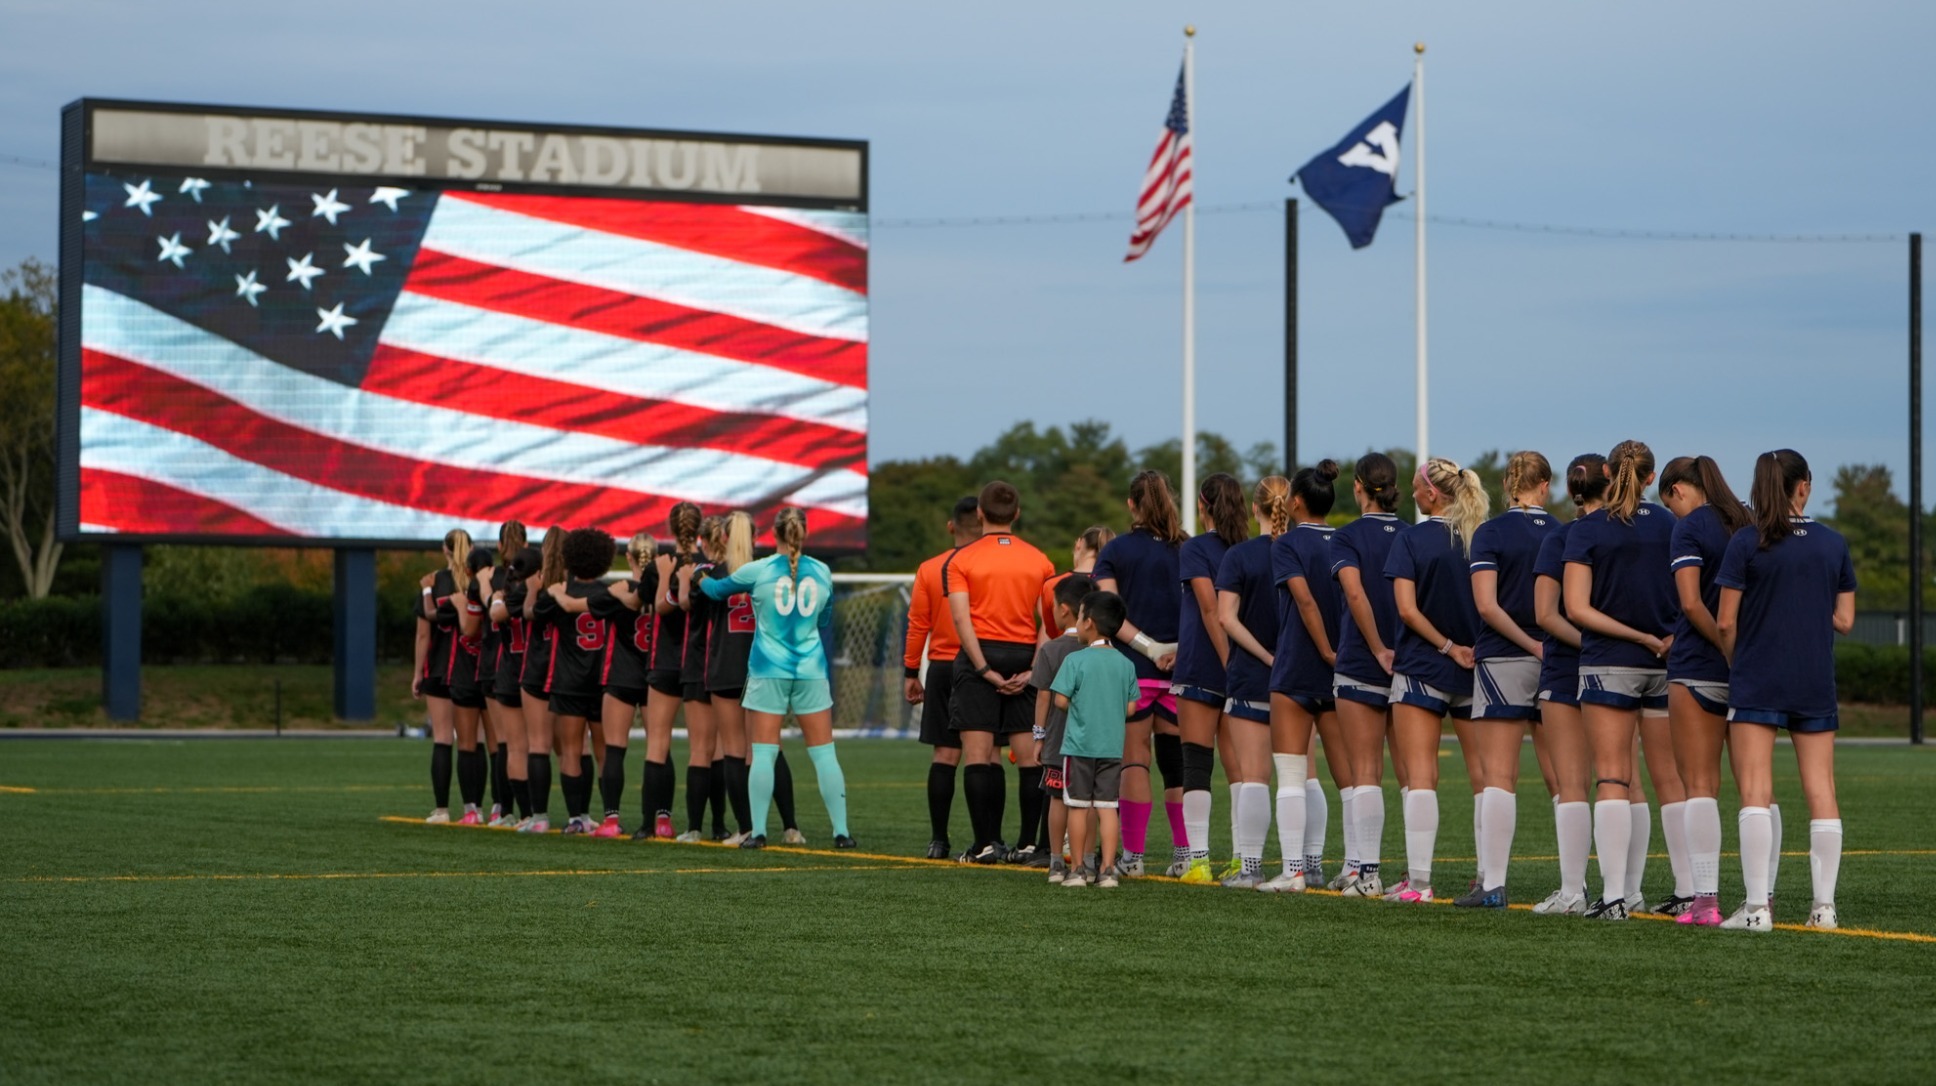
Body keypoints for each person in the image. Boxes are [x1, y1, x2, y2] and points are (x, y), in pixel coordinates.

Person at [1715, 449, 1855, 932]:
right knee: (1822, 790)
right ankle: (1823, 908)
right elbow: (1846, 620)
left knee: (1755, 791)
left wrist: (1740, 664)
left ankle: (1756, 910)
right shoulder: (1833, 544)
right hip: (1814, 678)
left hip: (1757, 676)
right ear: (1804, 486)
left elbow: (1725, 621)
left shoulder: (1745, 543)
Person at [1562, 439, 1684, 921]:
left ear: (1609, 473)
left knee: (1613, 777)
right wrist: (1664, 637)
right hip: (1666, 664)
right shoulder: (1672, 524)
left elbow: (1576, 609)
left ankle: (1615, 896)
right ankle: (1689, 891)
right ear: (1652, 478)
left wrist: (1637, 635)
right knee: (1670, 780)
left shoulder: (1589, 528)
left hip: (1610, 662)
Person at [699, 508, 855, 850]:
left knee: (764, 752)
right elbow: (825, 619)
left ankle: (757, 833)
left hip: (768, 671)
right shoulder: (823, 571)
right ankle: (841, 833)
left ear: (774, 534)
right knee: (824, 753)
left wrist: (698, 575)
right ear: (804, 533)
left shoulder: (760, 569)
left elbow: (713, 590)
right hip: (811, 672)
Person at [1383, 458, 1488, 904]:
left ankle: (1420, 882)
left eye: (1415, 488)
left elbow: (1407, 610)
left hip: (1423, 666)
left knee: (1421, 775)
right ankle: (1489, 876)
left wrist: (1446, 647)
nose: (1411, 495)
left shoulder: (1411, 539)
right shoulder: (1481, 537)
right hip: (1476, 668)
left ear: (1432, 494)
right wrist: (1467, 648)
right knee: (1486, 778)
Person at [1658, 456, 1756, 926]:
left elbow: (1692, 601)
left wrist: (1724, 645)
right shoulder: (1749, 520)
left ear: (1677, 490)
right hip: (1753, 672)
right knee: (1757, 791)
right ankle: (1761, 899)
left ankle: (1705, 901)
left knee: (1699, 786)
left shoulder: (1690, 527)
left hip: (1700, 667)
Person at [1460, 452, 1557, 908]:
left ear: (1507, 485)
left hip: (1504, 660)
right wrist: (1546, 645)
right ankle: (1576, 887)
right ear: (1545, 485)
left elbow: (1486, 606)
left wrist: (1529, 643)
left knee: (1498, 777)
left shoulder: (1491, 532)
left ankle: (1493, 884)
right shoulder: (1562, 532)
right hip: (1560, 661)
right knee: (1566, 781)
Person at [945, 480, 1055, 863]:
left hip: (982, 656)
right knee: (1030, 757)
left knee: (978, 754)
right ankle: (1027, 844)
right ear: (1017, 514)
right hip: (1025, 656)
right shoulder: (1040, 560)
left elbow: (962, 620)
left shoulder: (961, 560)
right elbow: (1050, 621)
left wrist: (983, 669)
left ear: (980, 513)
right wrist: (1033, 668)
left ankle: (986, 844)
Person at [1092, 470, 1186, 876]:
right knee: (1179, 765)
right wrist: (1177, 650)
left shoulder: (1115, 552)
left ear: (1131, 505)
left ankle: (1134, 857)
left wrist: (1151, 648)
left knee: (1135, 762)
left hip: (1134, 670)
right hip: (1183, 671)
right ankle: (1187, 854)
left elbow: (1109, 614)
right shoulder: (1189, 548)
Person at [1261, 462, 1346, 893]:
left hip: (1298, 665)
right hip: (1343, 670)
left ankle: (1294, 871)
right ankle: (1356, 869)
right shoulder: (1345, 540)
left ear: (1295, 502)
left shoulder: (1287, 544)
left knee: (1292, 775)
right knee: (1350, 779)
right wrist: (1340, 653)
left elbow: (1306, 603)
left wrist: (1326, 650)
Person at [1529, 456, 1607, 914]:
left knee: (1573, 784)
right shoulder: (1630, 532)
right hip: (1621, 668)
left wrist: (1589, 642)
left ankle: (1575, 891)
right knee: (1622, 781)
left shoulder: (1562, 536)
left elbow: (1545, 614)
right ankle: (1624, 890)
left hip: (1566, 669)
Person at [1330, 454, 1409, 900]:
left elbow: (1355, 592)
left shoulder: (1347, 537)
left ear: (1359, 487)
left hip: (1364, 660)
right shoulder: (1412, 534)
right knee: (1413, 776)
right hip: (1410, 664)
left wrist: (1378, 647)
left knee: (1365, 772)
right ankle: (1417, 877)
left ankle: (1368, 872)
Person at [1213, 476, 1291, 889]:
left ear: (1254, 509)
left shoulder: (1240, 555)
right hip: (1299, 677)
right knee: (1301, 776)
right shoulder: (1306, 549)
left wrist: (1263, 655)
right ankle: (1308, 864)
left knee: (1254, 775)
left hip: (1252, 675)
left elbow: (1226, 617)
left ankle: (1252, 867)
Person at [1174, 474, 1246, 884]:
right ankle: (1241, 858)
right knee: (1240, 769)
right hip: (1243, 668)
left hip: (1204, 662)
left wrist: (1227, 660)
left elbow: (1208, 607)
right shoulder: (1247, 549)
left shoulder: (1196, 548)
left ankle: (1198, 862)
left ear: (1203, 504)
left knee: (1196, 763)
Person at [905, 496, 982, 858]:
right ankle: (988, 840)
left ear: (952, 527)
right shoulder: (992, 566)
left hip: (941, 665)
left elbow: (918, 623)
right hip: (986, 666)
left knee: (944, 754)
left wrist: (910, 671)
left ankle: (938, 840)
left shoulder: (930, 568)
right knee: (986, 757)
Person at [1054, 590, 1141, 890]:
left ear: (1088, 622)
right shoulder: (1126, 664)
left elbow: (1060, 701)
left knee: (1078, 806)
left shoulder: (1075, 660)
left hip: (1079, 746)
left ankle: (1078, 869)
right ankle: (1107, 870)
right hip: (1111, 747)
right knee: (1107, 806)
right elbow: (1131, 708)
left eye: (1079, 617)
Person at [534, 528, 618, 835]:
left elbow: (536, 615)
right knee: (604, 750)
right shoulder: (611, 592)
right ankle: (610, 817)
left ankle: (576, 817)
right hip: (603, 679)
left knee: (570, 750)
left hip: (568, 679)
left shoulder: (559, 591)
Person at [581, 532, 661, 837]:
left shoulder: (619, 589)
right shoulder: (663, 589)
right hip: (656, 677)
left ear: (629, 557)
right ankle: (662, 819)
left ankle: (612, 820)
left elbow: (583, 605)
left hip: (621, 676)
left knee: (614, 750)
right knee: (658, 748)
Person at [642, 504, 701, 837]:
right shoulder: (707, 566)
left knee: (657, 743)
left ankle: (651, 824)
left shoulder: (658, 567)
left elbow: (651, 604)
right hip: (699, 662)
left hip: (665, 659)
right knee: (709, 749)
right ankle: (715, 826)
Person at [1032, 573, 1095, 883]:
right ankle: (1090, 862)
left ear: (1066, 609)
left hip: (1059, 738)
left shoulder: (1051, 649)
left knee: (1058, 798)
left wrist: (1038, 735)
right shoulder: (1103, 652)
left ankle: (1056, 861)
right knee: (1092, 800)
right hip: (1095, 739)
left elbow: (1043, 695)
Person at [414, 528, 470, 824]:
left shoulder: (433, 582)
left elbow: (424, 634)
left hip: (438, 669)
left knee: (443, 738)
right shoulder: (477, 580)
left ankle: (442, 809)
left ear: (445, 549)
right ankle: (477, 808)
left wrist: (416, 674)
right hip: (472, 670)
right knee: (473, 743)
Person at [514, 529, 565, 833]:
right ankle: (580, 816)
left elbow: (527, 612)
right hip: (570, 672)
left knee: (538, 745)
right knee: (574, 749)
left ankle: (540, 817)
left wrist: (532, 589)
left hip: (538, 670)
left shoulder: (540, 584)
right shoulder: (576, 584)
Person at [482, 522, 531, 827]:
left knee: (508, 744)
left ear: (500, 547)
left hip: (503, 665)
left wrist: (485, 586)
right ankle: (548, 813)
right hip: (540, 669)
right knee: (547, 747)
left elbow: (491, 611)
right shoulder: (536, 578)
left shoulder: (497, 579)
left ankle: (508, 809)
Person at [447, 545, 495, 825]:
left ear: (468, 570)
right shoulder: (500, 593)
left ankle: (471, 810)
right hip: (491, 674)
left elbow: (469, 628)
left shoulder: (473, 594)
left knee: (467, 744)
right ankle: (501, 808)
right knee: (495, 745)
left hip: (469, 674)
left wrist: (458, 605)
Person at [1041, 526, 1113, 637]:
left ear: (1078, 543)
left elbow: (1052, 632)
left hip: (1062, 652)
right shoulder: (1112, 584)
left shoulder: (1052, 584)